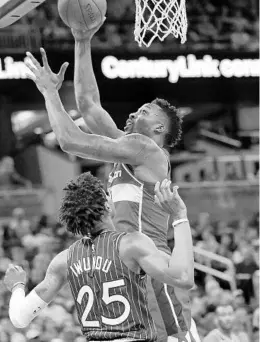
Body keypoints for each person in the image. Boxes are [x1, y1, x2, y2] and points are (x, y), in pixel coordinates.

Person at [24, 37, 198, 340]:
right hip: (131, 266)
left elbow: (70, 141)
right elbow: (89, 106)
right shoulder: (128, 148)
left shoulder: (144, 148)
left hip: (154, 270)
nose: (134, 114)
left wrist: (50, 93)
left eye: (144, 112)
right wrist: (81, 38)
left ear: (159, 130)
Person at [4, 172, 194, 342]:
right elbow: (184, 278)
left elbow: (19, 318)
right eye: (108, 195)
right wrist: (179, 216)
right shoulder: (131, 244)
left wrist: (17, 286)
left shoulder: (63, 260)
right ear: (106, 206)